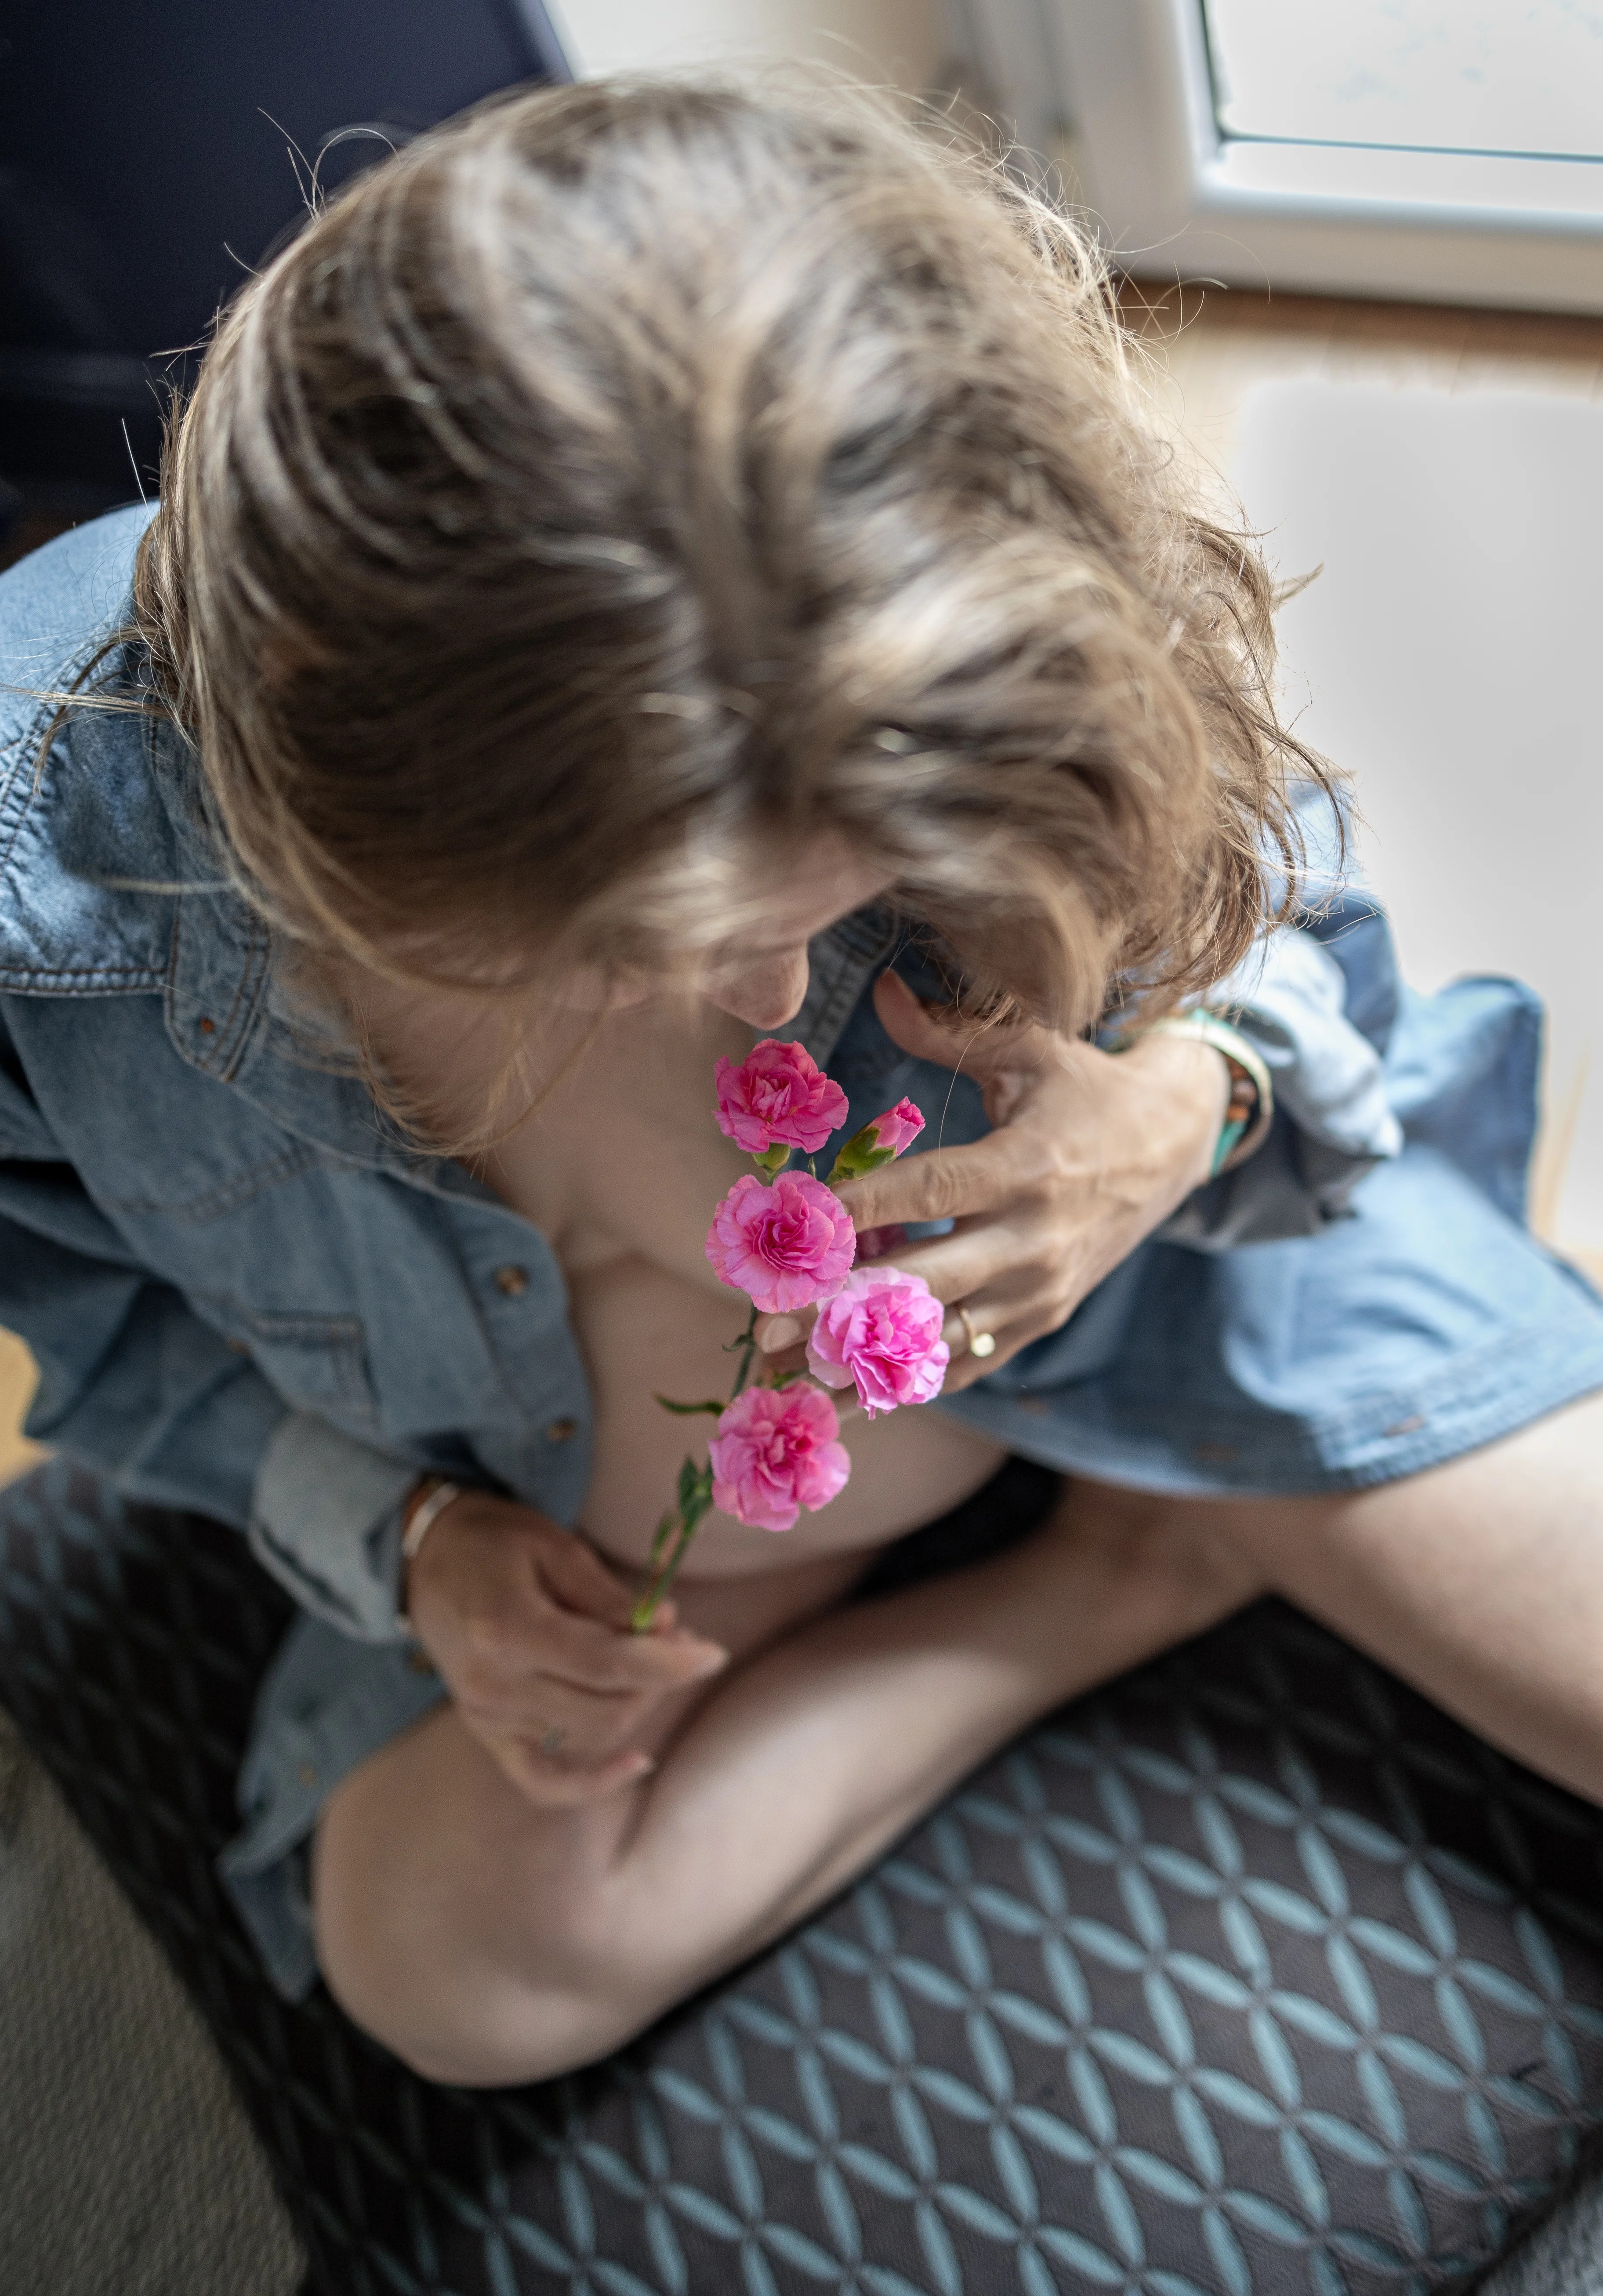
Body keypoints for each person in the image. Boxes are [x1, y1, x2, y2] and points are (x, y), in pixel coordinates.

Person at [3, 78, 1601, 2091]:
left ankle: (1198, 1489)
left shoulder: (928, 625)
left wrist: (1180, 1106)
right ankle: (1128, 1570)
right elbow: (106, 1321)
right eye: (633, 948)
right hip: (624, 1545)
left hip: (1180, 1286)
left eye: (831, 898)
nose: (771, 989)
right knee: (443, 1972)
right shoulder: (52, 928)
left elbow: (1286, 891)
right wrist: (414, 1543)